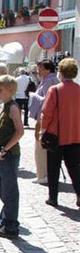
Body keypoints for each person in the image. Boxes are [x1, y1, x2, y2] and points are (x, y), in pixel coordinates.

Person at [40, 58, 80, 208]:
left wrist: (42, 132)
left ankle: (53, 197)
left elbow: (46, 113)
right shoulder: (79, 90)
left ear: (61, 72)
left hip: (56, 135)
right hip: (76, 135)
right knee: (75, 168)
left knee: (53, 168)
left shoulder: (55, 90)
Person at [0, 75, 24, 238]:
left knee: (9, 190)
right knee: (2, 189)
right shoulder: (3, 106)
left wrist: (5, 149)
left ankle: (11, 226)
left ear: (10, 90)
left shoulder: (13, 107)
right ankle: (5, 220)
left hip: (8, 155)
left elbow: (19, 131)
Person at [29, 59, 60, 184]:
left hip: (44, 118)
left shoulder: (49, 81)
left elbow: (47, 101)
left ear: (48, 69)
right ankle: (44, 174)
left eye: (41, 69)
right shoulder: (51, 80)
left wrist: (33, 96)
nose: (39, 71)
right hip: (48, 118)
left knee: (40, 146)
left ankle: (42, 175)